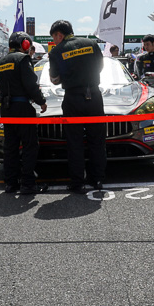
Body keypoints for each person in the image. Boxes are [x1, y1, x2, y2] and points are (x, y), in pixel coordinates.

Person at [48, 19, 106, 193]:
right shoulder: (91, 43)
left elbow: (54, 79)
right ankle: (97, 180)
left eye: (54, 38)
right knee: (97, 140)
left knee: (75, 142)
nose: (54, 41)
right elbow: (101, 67)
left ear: (59, 34)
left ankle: (77, 182)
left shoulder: (57, 51)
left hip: (73, 98)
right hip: (94, 95)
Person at [0, 31, 48, 194]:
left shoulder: (0, 63)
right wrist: (41, 101)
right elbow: (31, 85)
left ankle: (11, 183)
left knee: (10, 146)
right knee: (30, 145)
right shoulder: (23, 59)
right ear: (24, 44)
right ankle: (28, 184)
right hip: (22, 108)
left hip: (6, 109)